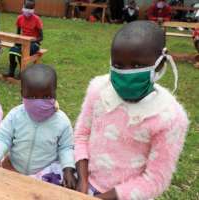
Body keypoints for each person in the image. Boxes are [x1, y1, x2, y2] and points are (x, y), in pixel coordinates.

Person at [74, 21, 189, 200]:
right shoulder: (98, 90)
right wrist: (82, 183)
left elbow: (155, 179)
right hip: (84, 183)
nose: (126, 73)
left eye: (136, 66)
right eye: (118, 65)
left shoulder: (170, 117)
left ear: (160, 63)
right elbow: (81, 135)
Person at [0, 64, 77, 189]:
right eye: (33, 97)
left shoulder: (62, 121)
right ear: (22, 93)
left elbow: (66, 147)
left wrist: (68, 169)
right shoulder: (16, 115)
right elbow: (2, 137)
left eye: (46, 96)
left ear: (55, 92)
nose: (39, 102)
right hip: (13, 168)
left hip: (44, 176)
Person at [4, 0, 43, 78]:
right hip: (22, 42)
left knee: (20, 51)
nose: (28, 10)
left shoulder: (37, 19)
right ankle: (11, 71)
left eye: (30, 8)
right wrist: (16, 43)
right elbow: (18, 34)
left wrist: (32, 40)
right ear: (23, 7)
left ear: (33, 9)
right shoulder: (20, 18)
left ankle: (23, 71)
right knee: (12, 51)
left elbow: (41, 38)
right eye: (26, 7)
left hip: (34, 44)